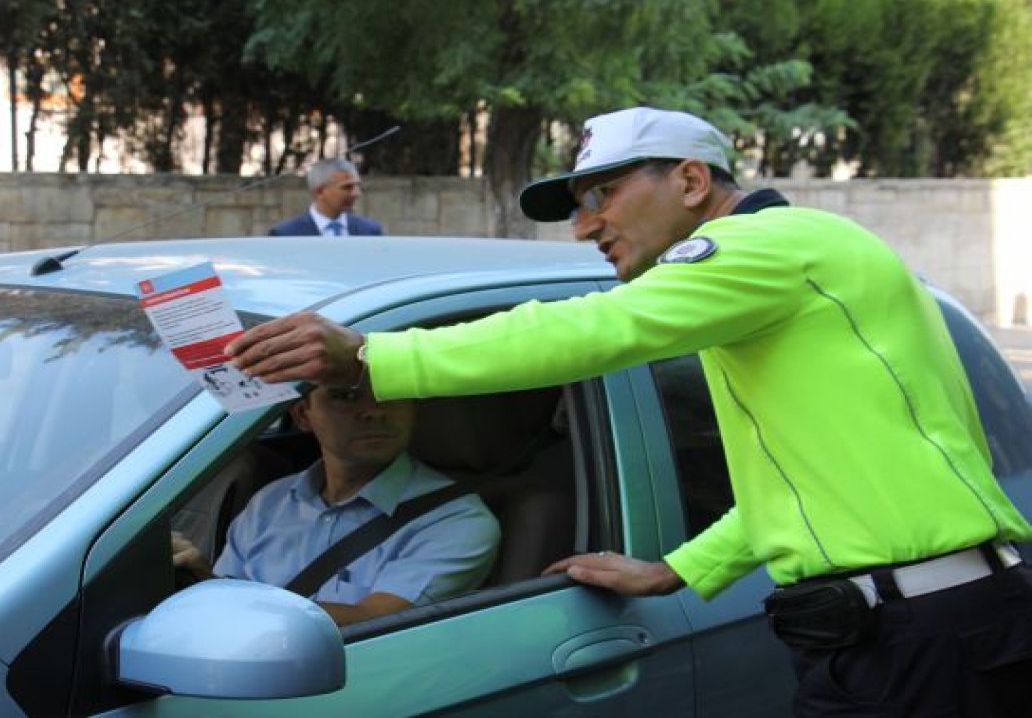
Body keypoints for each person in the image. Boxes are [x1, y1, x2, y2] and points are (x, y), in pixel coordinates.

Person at [223, 106, 1032, 715]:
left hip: (929, 630)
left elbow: (599, 329)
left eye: (603, 193)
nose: (586, 226)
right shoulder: (771, 285)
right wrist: (681, 569)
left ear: (690, 180)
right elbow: (809, 478)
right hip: (895, 629)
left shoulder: (769, 248)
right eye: (579, 203)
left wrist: (373, 357)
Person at [171, 381, 499, 627]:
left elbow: (374, 623)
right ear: (302, 415)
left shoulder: (457, 519)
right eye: (346, 395)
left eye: (391, 392)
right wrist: (200, 584)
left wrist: (216, 591)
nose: (374, 410)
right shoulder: (270, 501)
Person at [269, 158, 384, 236]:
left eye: (357, 186)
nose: (356, 193)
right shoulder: (286, 235)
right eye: (347, 187)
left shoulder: (370, 231)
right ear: (320, 191)